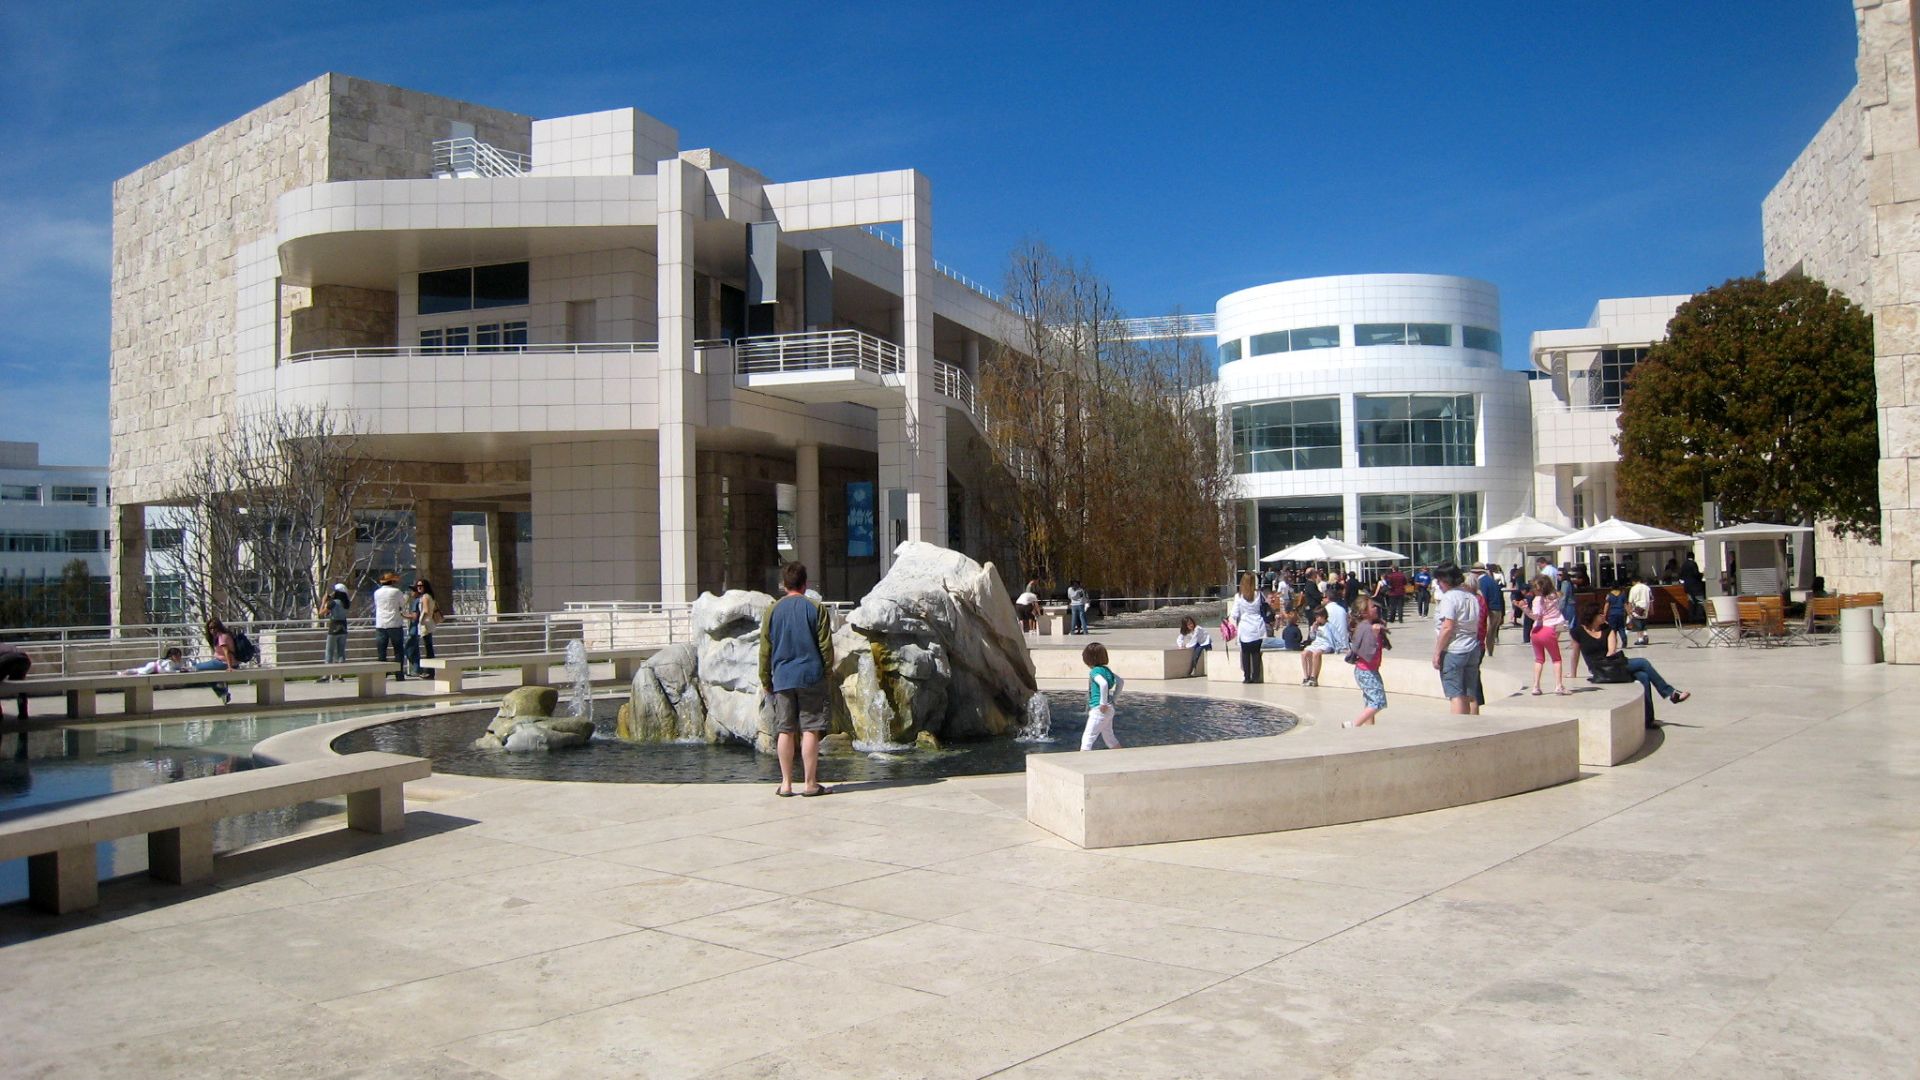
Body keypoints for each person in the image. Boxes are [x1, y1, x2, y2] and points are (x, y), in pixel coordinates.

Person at [759, 561, 835, 797]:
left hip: (782, 677)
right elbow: (826, 647)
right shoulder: (816, 608)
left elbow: (765, 649)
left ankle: (786, 784)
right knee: (810, 729)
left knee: (785, 730)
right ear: (804, 584)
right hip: (811, 676)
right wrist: (826, 672)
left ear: (784, 585)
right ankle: (810, 784)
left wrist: (765, 679)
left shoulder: (772, 611)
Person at [1570, 606, 1690, 728]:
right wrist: (1573, 673)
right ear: (1592, 616)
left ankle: (1648, 720)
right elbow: (1575, 654)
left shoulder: (1608, 629)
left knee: (1643, 676)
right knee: (1643, 662)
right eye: (1600, 613)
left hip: (1612, 663)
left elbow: (1611, 651)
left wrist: (1608, 659)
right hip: (1599, 669)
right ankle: (1670, 692)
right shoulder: (1578, 632)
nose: (1604, 615)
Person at [1431, 563, 1483, 714]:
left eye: (1439, 581)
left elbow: (1447, 627)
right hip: (1472, 647)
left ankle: (1459, 727)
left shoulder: (1449, 598)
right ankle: (1473, 725)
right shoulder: (1471, 597)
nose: (1438, 585)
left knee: (1456, 694)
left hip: (1454, 649)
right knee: (1470, 693)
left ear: (1445, 580)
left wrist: (1437, 652)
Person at [1345, 595, 1390, 728]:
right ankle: (1353, 725)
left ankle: (1370, 729)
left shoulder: (1366, 625)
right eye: (1372, 606)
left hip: (1367, 670)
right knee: (1378, 702)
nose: (1376, 608)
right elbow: (1368, 652)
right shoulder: (1366, 629)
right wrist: (1375, 635)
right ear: (1364, 612)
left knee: (1370, 702)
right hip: (1367, 671)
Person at [1522, 576, 1570, 696]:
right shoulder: (1553, 596)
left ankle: (1536, 686)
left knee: (1539, 659)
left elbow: (1536, 616)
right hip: (1548, 630)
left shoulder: (1537, 600)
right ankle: (1559, 686)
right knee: (1556, 659)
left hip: (1536, 631)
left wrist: (1525, 610)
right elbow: (1560, 594)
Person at [1302, 582, 1349, 688]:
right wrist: (1313, 630)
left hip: (1328, 644)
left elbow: (1334, 635)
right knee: (1305, 653)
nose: (1322, 599)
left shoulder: (1326, 613)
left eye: (1324, 597)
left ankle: (1313, 677)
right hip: (1321, 643)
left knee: (1316, 653)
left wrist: (1341, 647)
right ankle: (1306, 676)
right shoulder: (1342, 609)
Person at [1080, 641, 1123, 750]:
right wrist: (1114, 700)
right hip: (1109, 709)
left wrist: (1102, 703)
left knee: (1087, 738)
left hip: (1099, 710)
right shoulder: (1107, 670)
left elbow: (1103, 684)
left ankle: (1081, 763)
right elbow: (1121, 682)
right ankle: (1122, 756)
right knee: (1109, 738)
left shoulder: (1095, 671)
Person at [1229, 572, 1268, 684]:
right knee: (1256, 653)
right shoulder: (1258, 595)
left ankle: (1247, 677)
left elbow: (1234, 614)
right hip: (1257, 626)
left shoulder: (1239, 596)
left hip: (1245, 627)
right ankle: (1256, 677)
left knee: (1245, 653)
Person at [372, 573, 409, 680]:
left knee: (381, 651)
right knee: (398, 650)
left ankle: (381, 674)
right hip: (394, 623)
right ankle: (399, 673)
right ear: (393, 581)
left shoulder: (377, 593)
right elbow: (402, 604)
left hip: (380, 623)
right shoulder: (396, 592)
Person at [196, 618, 237, 705]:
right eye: (210, 628)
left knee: (197, 668)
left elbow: (227, 652)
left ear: (219, 627)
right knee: (206, 673)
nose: (212, 630)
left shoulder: (222, 637)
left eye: (215, 627)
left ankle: (222, 691)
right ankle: (221, 688)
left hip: (223, 663)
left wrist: (230, 667)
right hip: (221, 662)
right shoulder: (221, 636)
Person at [407, 579, 441, 677]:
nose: (419, 587)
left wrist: (420, 619)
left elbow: (425, 610)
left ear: (425, 586)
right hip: (428, 623)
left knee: (428, 648)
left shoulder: (425, 597)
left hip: (425, 623)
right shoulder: (429, 596)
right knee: (428, 647)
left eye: (421, 586)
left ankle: (429, 671)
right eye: (418, 586)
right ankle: (430, 671)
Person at [1477, 565, 1505, 656]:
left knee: (1486, 632)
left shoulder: (1482, 582)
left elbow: (1483, 598)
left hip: (1489, 611)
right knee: (1492, 633)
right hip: (1497, 610)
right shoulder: (1492, 581)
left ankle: (1484, 652)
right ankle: (1490, 652)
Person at [0, 641, 32, 720]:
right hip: (24, 659)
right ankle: (23, 713)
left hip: (7, 658)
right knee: (19, 687)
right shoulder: (5, 645)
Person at [322, 583, 351, 665]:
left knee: (329, 651)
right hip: (343, 628)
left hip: (333, 628)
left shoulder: (333, 603)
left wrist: (324, 602)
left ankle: (327, 673)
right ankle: (340, 674)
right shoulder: (347, 603)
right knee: (341, 652)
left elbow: (321, 613)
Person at [119, 647, 188, 676]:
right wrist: (179, 671)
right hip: (153, 666)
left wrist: (183, 669)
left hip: (155, 669)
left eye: (179, 656)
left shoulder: (178, 662)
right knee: (141, 671)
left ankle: (125, 672)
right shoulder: (169, 662)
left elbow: (179, 667)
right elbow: (169, 670)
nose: (178, 657)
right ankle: (125, 672)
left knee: (140, 670)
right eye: (176, 656)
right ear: (171, 656)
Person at [1627, 574, 1653, 646]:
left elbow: (1630, 601)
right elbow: (1651, 599)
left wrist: (1629, 612)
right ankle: (1645, 634)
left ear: (1634, 581)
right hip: (1646, 608)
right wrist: (1651, 609)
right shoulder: (1647, 588)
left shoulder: (1633, 588)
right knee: (1643, 622)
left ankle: (1640, 639)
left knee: (1637, 624)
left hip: (1637, 608)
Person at [1680, 555, 1706, 621]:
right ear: (1693, 557)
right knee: (1700, 601)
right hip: (1696, 587)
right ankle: (1699, 617)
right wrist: (1701, 575)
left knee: (1691, 602)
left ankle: (1691, 617)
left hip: (1687, 587)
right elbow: (1696, 574)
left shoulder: (1684, 564)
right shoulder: (1693, 563)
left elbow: (1681, 576)